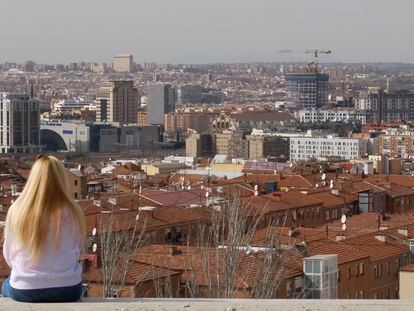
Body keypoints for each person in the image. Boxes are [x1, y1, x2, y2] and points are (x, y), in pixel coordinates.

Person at [2, 155, 86, 302]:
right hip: (69, 289)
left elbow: (9, 255)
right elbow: (77, 251)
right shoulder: (73, 210)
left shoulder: (17, 210)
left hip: (25, 289)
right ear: (62, 179)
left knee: (5, 285)